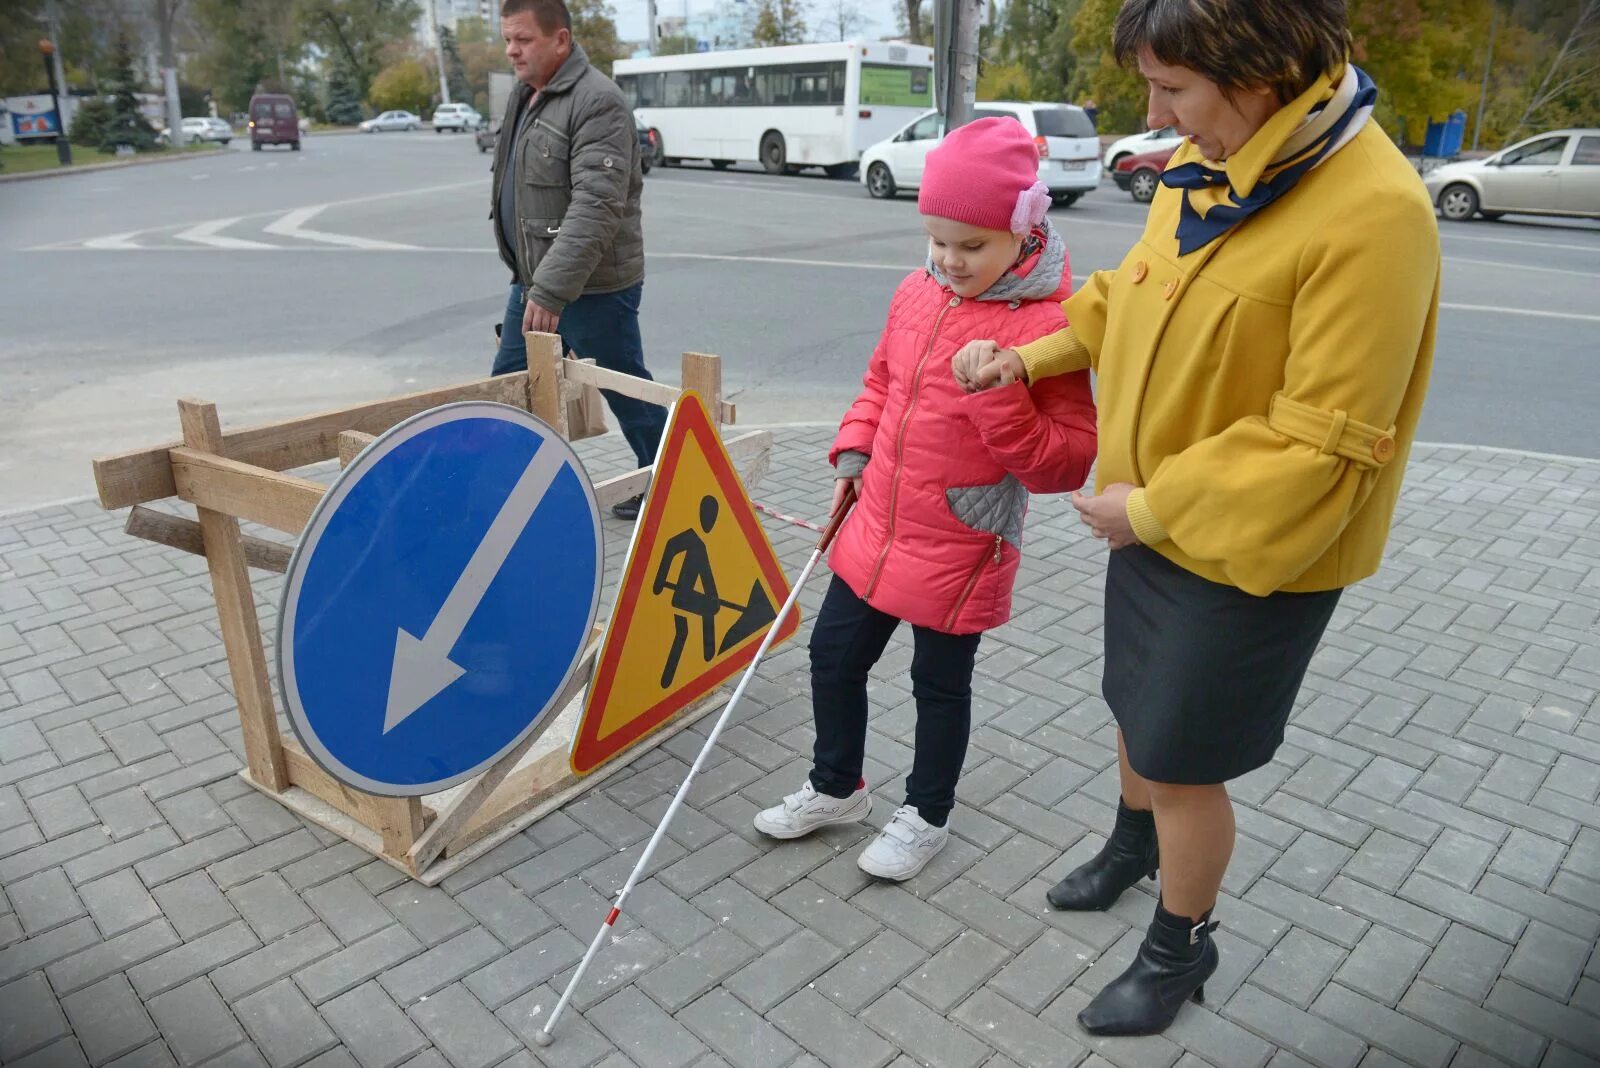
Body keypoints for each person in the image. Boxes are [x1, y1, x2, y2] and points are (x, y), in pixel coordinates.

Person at [955, 0, 1438, 1038]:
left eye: (1173, 88)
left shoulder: (1373, 212)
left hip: (1254, 542)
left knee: (1181, 755)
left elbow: (1324, 436)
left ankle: (1182, 942)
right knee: (1134, 707)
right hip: (1146, 516)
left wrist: (1155, 506)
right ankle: (1134, 846)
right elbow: (1125, 296)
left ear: (1257, 72)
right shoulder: (1207, 171)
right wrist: (1027, 355)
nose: (1155, 113)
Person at [752, 118, 1098, 882]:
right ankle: (837, 785)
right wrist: (853, 448)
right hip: (875, 515)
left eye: (972, 245)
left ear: (1024, 229)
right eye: (938, 240)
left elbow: (1066, 463)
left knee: (938, 684)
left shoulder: (1053, 328)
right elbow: (880, 384)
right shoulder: (918, 291)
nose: (949, 260)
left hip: (962, 533)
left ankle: (927, 812)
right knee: (833, 657)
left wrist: (1001, 390)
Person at [489, 0, 666, 520]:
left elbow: (597, 204)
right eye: (507, 40)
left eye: (522, 39)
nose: (511, 51)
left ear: (560, 40)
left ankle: (669, 479)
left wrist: (549, 290)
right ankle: (504, 495)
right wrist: (532, 281)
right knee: (510, 389)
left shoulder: (598, 101)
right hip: (536, 282)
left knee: (623, 386)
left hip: (593, 287)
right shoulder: (526, 96)